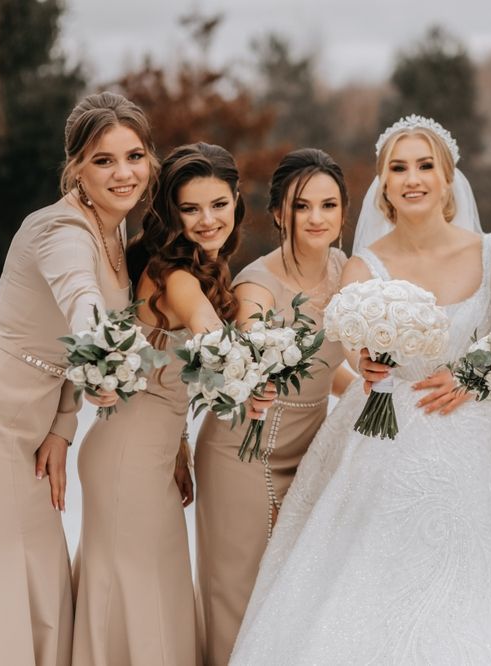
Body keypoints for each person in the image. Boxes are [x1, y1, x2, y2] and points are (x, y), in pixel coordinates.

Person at [228, 116, 491, 664]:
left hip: (484, 424)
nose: (412, 178)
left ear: (448, 180)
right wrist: (367, 362)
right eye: (398, 168)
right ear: (383, 184)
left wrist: (476, 377)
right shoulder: (363, 266)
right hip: (387, 428)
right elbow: (353, 347)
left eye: (425, 166)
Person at [0, 91, 155, 666]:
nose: (123, 174)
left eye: (134, 156)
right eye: (104, 160)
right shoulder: (60, 231)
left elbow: (69, 351)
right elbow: (81, 302)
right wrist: (106, 354)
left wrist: (63, 423)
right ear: (75, 166)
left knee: (40, 573)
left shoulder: (115, 229)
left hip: (30, 424)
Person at [72, 143, 273, 665]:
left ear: (236, 202)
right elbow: (218, 351)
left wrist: (180, 443)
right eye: (190, 208)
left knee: (148, 598)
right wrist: (256, 377)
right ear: (171, 212)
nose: (208, 220)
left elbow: (165, 373)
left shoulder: (197, 267)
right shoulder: (177, 277)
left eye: (219, 205)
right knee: (141, 601)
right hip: (128, 458)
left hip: (148, 451)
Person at [194, 148, 354, 666]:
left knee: (294, 595)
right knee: (238, 594)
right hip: (244, 450)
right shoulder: (256, 285)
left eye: (328, 206)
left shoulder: (349, 272)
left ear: (343, 213)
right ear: (279, 213)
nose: (316, 218)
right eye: (301, 206)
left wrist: (373, 389)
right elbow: (247, 354)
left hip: (309, 454)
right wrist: (253, 369)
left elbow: (330, 370)